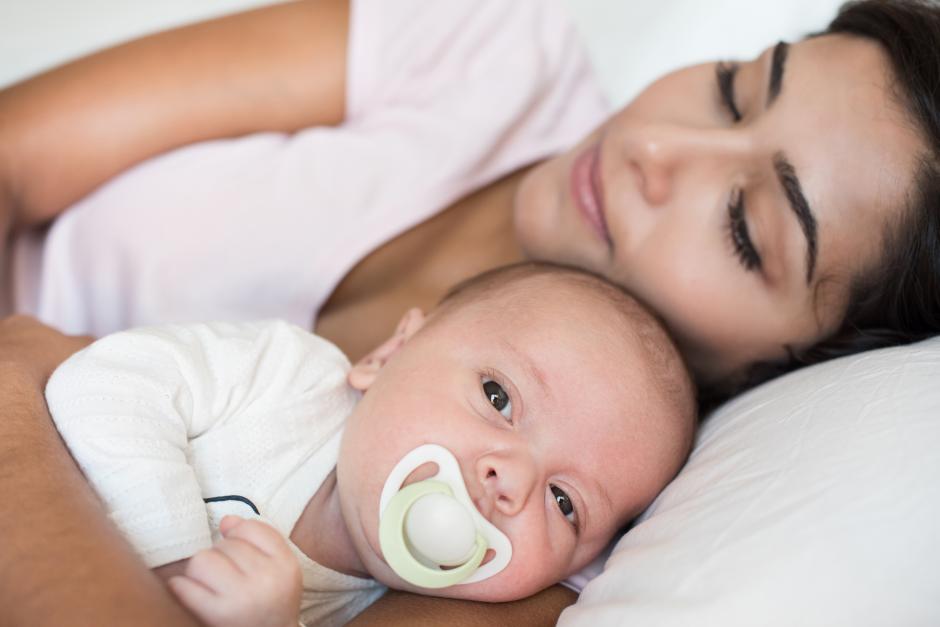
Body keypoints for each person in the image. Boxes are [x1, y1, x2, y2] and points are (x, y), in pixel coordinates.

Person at [1, 0, 938, 624]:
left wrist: (13, 399)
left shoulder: (555, 528)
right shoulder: (481, 44)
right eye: (734, 88)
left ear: (789, 363)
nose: (657, 145)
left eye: (747, 225)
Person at [44, 262, 696, 627]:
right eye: (498, 397)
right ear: (388, 354)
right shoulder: (283, 377)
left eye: (564, 501)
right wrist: (174, 563)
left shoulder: (384, 612)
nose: (512, 480)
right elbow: (105, 382)